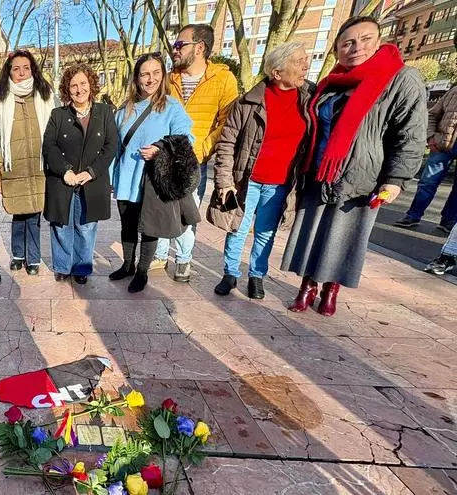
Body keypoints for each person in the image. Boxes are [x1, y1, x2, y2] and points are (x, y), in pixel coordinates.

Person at [281, 17, 427, 316]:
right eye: (348, 42)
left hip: (362, 176)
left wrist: (396, 178)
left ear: (378, 41)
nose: (356, 48)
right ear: (337, 49)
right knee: (312, 231)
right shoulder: (331, 82)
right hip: (319, 171)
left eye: (365, 39)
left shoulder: (399, 78)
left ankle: (330, 289)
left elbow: (411, 133)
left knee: (343, 235)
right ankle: (307, 286)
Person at [210, 41, 314, 299]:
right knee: (238, 228)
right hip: (246, 180)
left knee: (266, 233)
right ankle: (230, 274)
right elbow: (227, 142)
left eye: (306, 59)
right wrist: (224, 181)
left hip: (281, 183)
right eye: (298, 61)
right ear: (277, 72)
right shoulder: (248, 102)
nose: (306, 65)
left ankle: (257, 276)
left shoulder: (310, 101)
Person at [152, 24, 239, 281]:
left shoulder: (224, 79)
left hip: (194, 162)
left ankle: (183, 260)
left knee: (185, 214)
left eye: (180, 45)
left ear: (199, 47)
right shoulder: (169, 79)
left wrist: (201, 149)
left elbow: (227, 124)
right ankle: (158, 255)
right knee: (160, 209)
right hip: (164, 158)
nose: (174, 50)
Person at [109, 52, 195, 292]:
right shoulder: (124, 109)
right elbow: (115, 146)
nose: (151, 79)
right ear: (136, 78)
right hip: (126, 178)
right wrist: (109, 177)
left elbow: (185, 137)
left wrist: (160, 148)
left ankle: (142, 271)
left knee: (149, 227)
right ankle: (127, 264)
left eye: (156, 73)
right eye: (145, 74)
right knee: (127, 225)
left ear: (163, 75)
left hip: (153, 179)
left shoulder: (171, 107)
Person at [42, 64, 118, 284]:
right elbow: (49, 146)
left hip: (92, 182)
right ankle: (63, 266)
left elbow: (111, 145)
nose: (79, 89)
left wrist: (91, 172)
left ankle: (81, 268)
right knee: (61, 226)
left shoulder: (104, 112)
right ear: (67, 89)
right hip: (63, 181)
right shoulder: (58, 114)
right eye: (73, 85)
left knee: (86, 227)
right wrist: (65, 170)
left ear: (91, 84)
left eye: (83, 83)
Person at [0, 50, 57, 276]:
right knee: (18, 215)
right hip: (12, 169)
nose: (21, 73)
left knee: (35, 216)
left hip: (40, 168)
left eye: (26, 68)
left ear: (33, 70)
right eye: (16, 68)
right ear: (9, 71)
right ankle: (18, 255)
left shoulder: (45, 96)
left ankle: (34, 258)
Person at [394, 84, 457, 232]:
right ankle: (413, 215)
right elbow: (433, 114)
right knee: (428, 182)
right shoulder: (454, 92)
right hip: (442, 144)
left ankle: (448, 220)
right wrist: (431, 137)